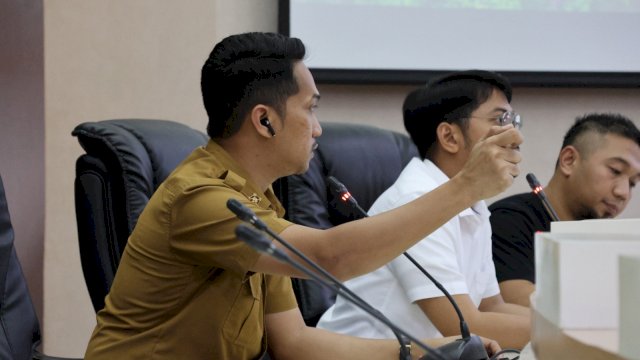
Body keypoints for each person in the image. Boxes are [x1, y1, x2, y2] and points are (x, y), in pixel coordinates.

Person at [84, 33, 522, 359]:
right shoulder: (201, 200)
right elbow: (330, 260)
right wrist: (465, 186)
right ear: (265, 120)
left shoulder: (259, 204)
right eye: (310, 108)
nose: (318, 127)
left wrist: (427, 350)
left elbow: (296, 342)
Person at [317, 70, 531, 350]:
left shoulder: (473, 202)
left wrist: (567, 323)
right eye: (500, 119)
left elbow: (492, 306)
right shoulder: (416, 199)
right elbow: (465, 325)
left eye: (513, 121)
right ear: (449, 137)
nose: (515, 136)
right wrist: (572, 335)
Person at [490, 113, 640, 307]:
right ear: (569, 161)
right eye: (615, 171)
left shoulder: (609, 239)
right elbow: (520, 304)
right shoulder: (508, 221)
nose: (623, 192)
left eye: (633, 183)